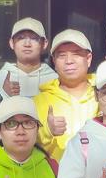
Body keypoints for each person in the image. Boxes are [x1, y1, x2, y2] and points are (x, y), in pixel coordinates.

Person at [35, 29, 97, 161]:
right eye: (62, 55)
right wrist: (47, 130)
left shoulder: (105, 94)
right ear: (54, 61)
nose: (69, 61)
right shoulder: (39, 101)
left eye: (76, 54)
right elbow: (25, 143)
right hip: (56, 172)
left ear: (88, 59)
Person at [0, 17, 54, 100]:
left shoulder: (55, 80)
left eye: (34, 38)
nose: (27, 44)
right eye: (20, 38)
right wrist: (2, 93)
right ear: (11, 43)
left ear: (45, 44)